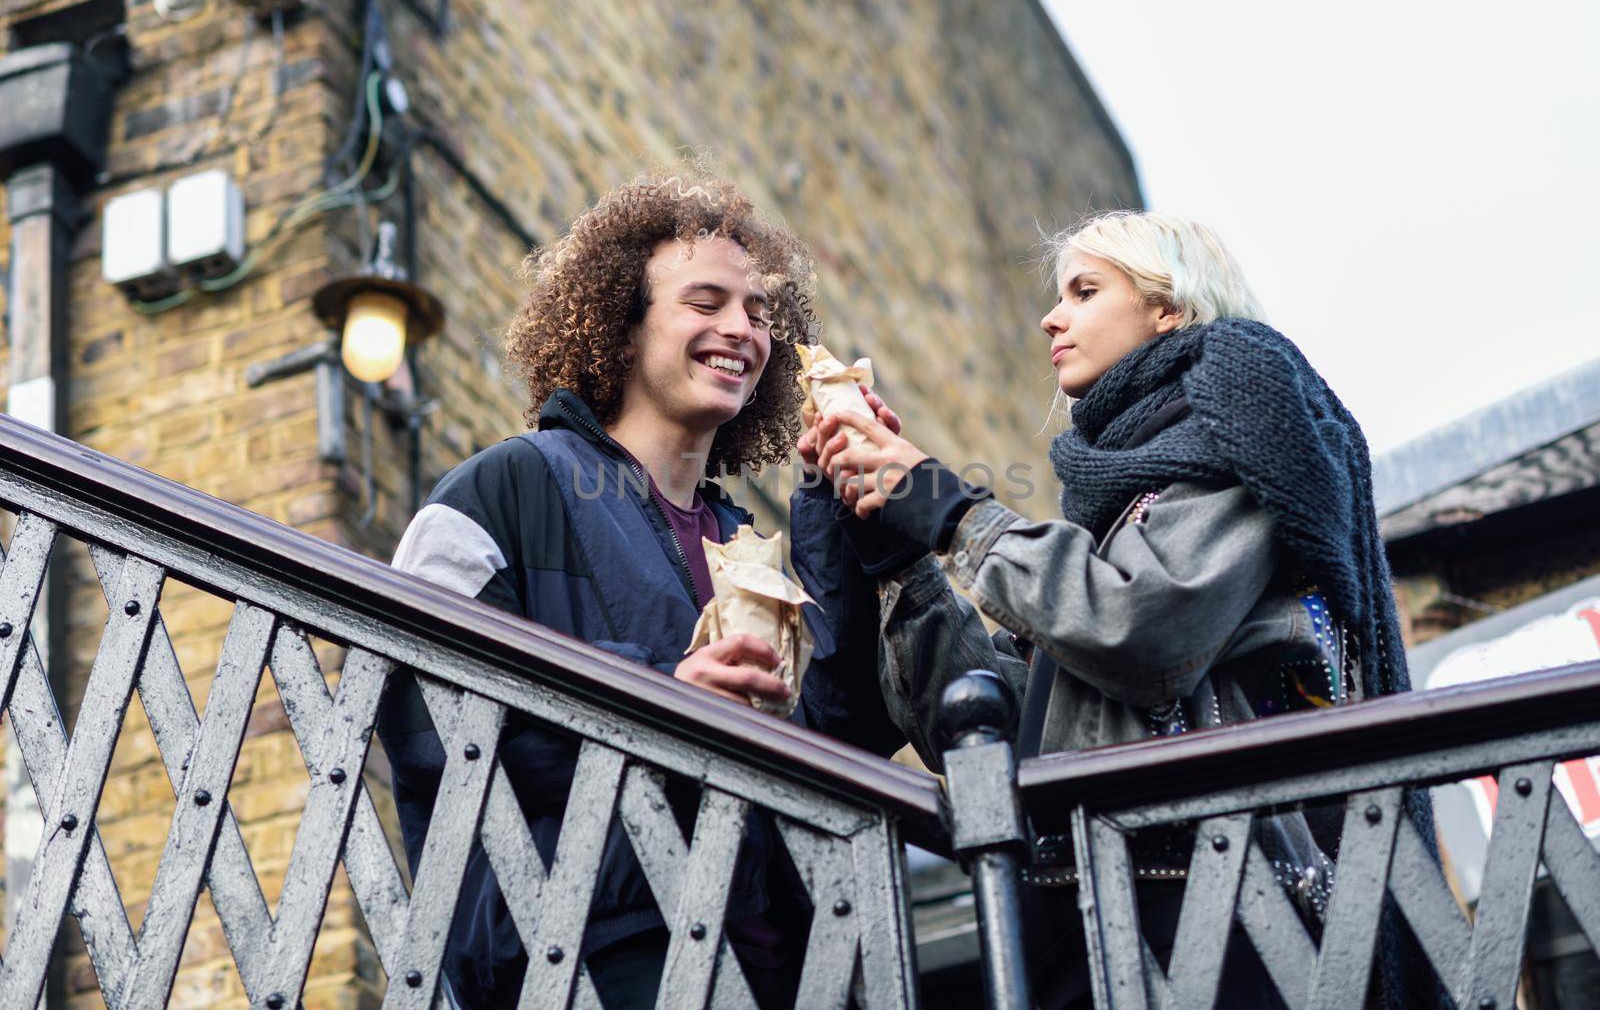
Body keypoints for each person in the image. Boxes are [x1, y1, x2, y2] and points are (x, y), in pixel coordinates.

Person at [804, 210, 1439, 1008]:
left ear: (1167, 306)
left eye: (1084, 289)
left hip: (1219, 907)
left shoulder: (1243, 424)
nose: (1050, 316)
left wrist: (947, 507)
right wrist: (895, 549)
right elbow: (974, 727)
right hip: (1089, 909)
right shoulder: (1121, 505)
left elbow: (1140, 626)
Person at [376, 169, 901, 1008]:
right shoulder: (506, 487)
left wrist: (840, 509)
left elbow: (839, 733)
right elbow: (434, 713)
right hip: (585, 951)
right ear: (622, 327)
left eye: (759, 315)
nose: (743, 330)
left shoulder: (742, 544)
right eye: (706, 303)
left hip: (776, 971)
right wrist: (662, 699)